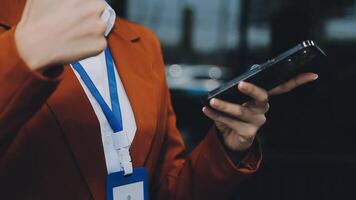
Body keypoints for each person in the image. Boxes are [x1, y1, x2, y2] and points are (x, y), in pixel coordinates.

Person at [0, 0, 318, 199]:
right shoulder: (13, 35)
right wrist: (24, 52)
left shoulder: (140, 44)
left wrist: (227, 145)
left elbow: (169, 190)